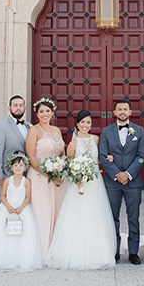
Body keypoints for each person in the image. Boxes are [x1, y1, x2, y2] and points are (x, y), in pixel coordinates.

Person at [46, 110, 117, 270]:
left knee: (95, 214)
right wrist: (77, 179)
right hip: (78, 183)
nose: (86, 125)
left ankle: (98, 251)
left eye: (88, 122)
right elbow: (69, 164)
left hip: (94, 182)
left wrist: (109, 158)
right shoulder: (73, 143)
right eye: (83, 122)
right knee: (78, 214)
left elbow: (99, 158)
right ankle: (75, 251)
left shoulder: (96, 139)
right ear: (77, 124)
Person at [0, 152, 43, 272]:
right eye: (15, 166)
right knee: (4, 233)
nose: (18, 168)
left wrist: (21, 208)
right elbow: (2, 195)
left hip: (21, 209)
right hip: (7, 208)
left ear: (25, 167)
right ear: (11, 168)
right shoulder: (7, 181)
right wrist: (8, 206)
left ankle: (20, 259)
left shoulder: (26, 182)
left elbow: (27, 197)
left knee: (23, 234)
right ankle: (4, 258)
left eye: (21, 165)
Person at [98, 98, 144, 264]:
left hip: (133, 182)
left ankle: (133, 252)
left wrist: (128, 174)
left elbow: (141, 156)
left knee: (133, 217)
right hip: (113, 182)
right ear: (114, 112)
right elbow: (103, 156)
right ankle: (114, 250)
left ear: (130, 112)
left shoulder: (139, 131)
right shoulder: (106, 131)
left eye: (125, 109)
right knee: (113, 217)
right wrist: (117, 174)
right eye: (119, 109)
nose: (122, 112)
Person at [25, 97, 65, 258]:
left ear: (52, 112)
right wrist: (48, 174)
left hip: (58, 178)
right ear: (36, 114)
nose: (45, 114)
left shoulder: (57, 130)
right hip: (40, 176)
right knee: (42, 211)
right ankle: (43, 250)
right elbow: (31, 157)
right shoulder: (34, 131)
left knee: (57, 210)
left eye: (47, 111)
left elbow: (62, 153)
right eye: (41, 111)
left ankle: (56, 247)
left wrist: (62, 169)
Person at [0, 95, 30, 188]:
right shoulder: (0, 126)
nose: (18, 108)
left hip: (26, 178)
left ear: (24, 108)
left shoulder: (28, 125)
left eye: (21, 105)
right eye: (15, 105)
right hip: (8, 176)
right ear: (9, 108)